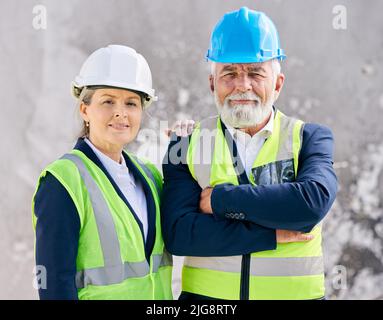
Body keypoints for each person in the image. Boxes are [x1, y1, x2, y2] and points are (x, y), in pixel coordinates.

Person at [161, 7, 338, 300]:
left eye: (255, 73)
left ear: (277, 84)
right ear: (212, 84)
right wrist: (270, 233)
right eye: (229, 73)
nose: (242, 85)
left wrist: (219, 200)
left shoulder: (310, 137)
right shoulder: (185, 143)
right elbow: (181, 234)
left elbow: (310, 205)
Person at [32, 45, 187, 300]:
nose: (120, 112)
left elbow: (186, 229)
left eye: (131, 103)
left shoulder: (150, 176)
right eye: (108, 101)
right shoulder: (63, 181)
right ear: (85, 110)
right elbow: (55, 284)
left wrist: (183, 151)